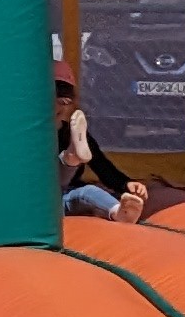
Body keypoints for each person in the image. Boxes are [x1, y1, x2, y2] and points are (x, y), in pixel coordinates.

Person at [56, 69, 151, 223]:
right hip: (39, 199)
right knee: (74, 191)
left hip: (66, 196)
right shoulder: (31, 137)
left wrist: (125, 183)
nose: (57, 107)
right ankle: (71, 157)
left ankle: (119, 212)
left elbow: (101, 165)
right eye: (51, 102)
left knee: (89, 192)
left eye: (64, 102)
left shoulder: (72, 133)